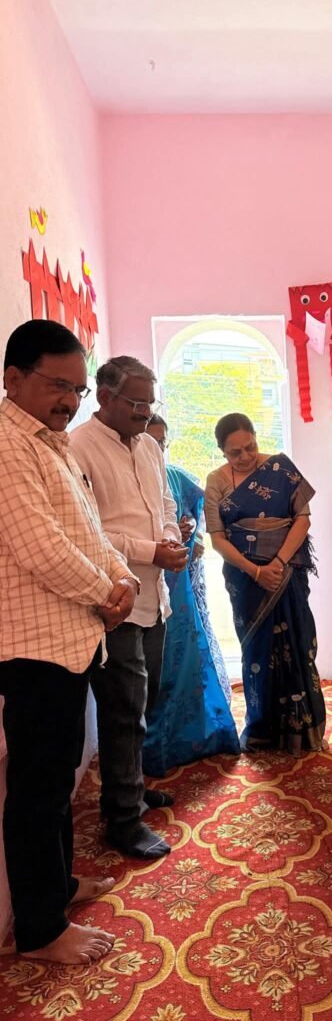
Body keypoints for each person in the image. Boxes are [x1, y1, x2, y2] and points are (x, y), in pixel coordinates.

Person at [0, 320, 140, 965]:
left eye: (77, 390)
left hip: (71, 639)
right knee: (38, 790)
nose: (70, 401)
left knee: (57, 781)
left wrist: (122, 577)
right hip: (33, 649)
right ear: (13, 378)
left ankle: (56, 889)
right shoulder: (8, 445)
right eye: (58, 386)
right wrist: (107, 592)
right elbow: (40, 548)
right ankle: (39, 931)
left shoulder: (50, 443)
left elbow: (87, 532)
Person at [70, 357, 188, 860]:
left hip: (155, 597)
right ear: (105, 397)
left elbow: (165, 504)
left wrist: (171, 539)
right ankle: (122, 819)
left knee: (144, 702)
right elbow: (86, 533)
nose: (145, 413)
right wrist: (148, 551)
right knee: (122, 712)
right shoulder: (76, 447)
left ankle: (132, 793)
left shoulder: (149, 446)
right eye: (137, 404)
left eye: (149, 403)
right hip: (113, 602)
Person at [204, 412, 326, 755]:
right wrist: (256, 572)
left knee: (298, 642)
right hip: (245, 579)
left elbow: (302, 519)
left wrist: (278, 563)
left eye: (250, 447)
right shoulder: (216, 481)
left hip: (287, 571)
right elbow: (217, 539)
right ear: (222, 451)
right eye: (235, 452)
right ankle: (263, 730)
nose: (245, 456)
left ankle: (304, 730)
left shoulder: (280, 468)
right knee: (257, 650)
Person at [142, 415, 240, 773]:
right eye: (151, 440)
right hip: (145, 589)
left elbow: (197, 510)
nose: (157, 448)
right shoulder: (130, 477)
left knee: (190, 657)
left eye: (162, 441)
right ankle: (157, 747)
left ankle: (199, 733)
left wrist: (192, 529)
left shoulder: (174, 475)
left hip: (182, 586)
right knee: (156, 668)